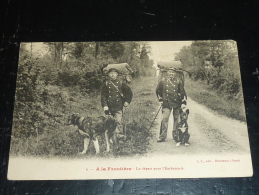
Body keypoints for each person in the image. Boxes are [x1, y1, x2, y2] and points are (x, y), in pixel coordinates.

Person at [156, 68, 187, 142]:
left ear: (175, 73)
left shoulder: (178, 81)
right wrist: (160, 100)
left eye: (173, 72)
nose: (171, 73)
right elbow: (158, 91)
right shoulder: (163, 81)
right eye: (170, 72)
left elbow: (182, 92)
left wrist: (183, 103)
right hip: (166, 103)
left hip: (177, 103)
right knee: (165, 119)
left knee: (177, 119)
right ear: (167, 73)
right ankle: (162, 136)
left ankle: (176, 135)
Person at [101, 68, 133, 139]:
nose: (112, 74)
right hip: (109, 106)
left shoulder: (121, 83)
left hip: (118, 105)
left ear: (117, 74)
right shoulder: (106, 84)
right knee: (109, 121)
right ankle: (110, 136)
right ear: (108, 75)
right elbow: (103, 96)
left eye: (114, 73)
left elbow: (129, 93)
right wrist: (105, 105)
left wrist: (127, 101)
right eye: (111, 73)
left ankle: (119, 136)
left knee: (118, 121)